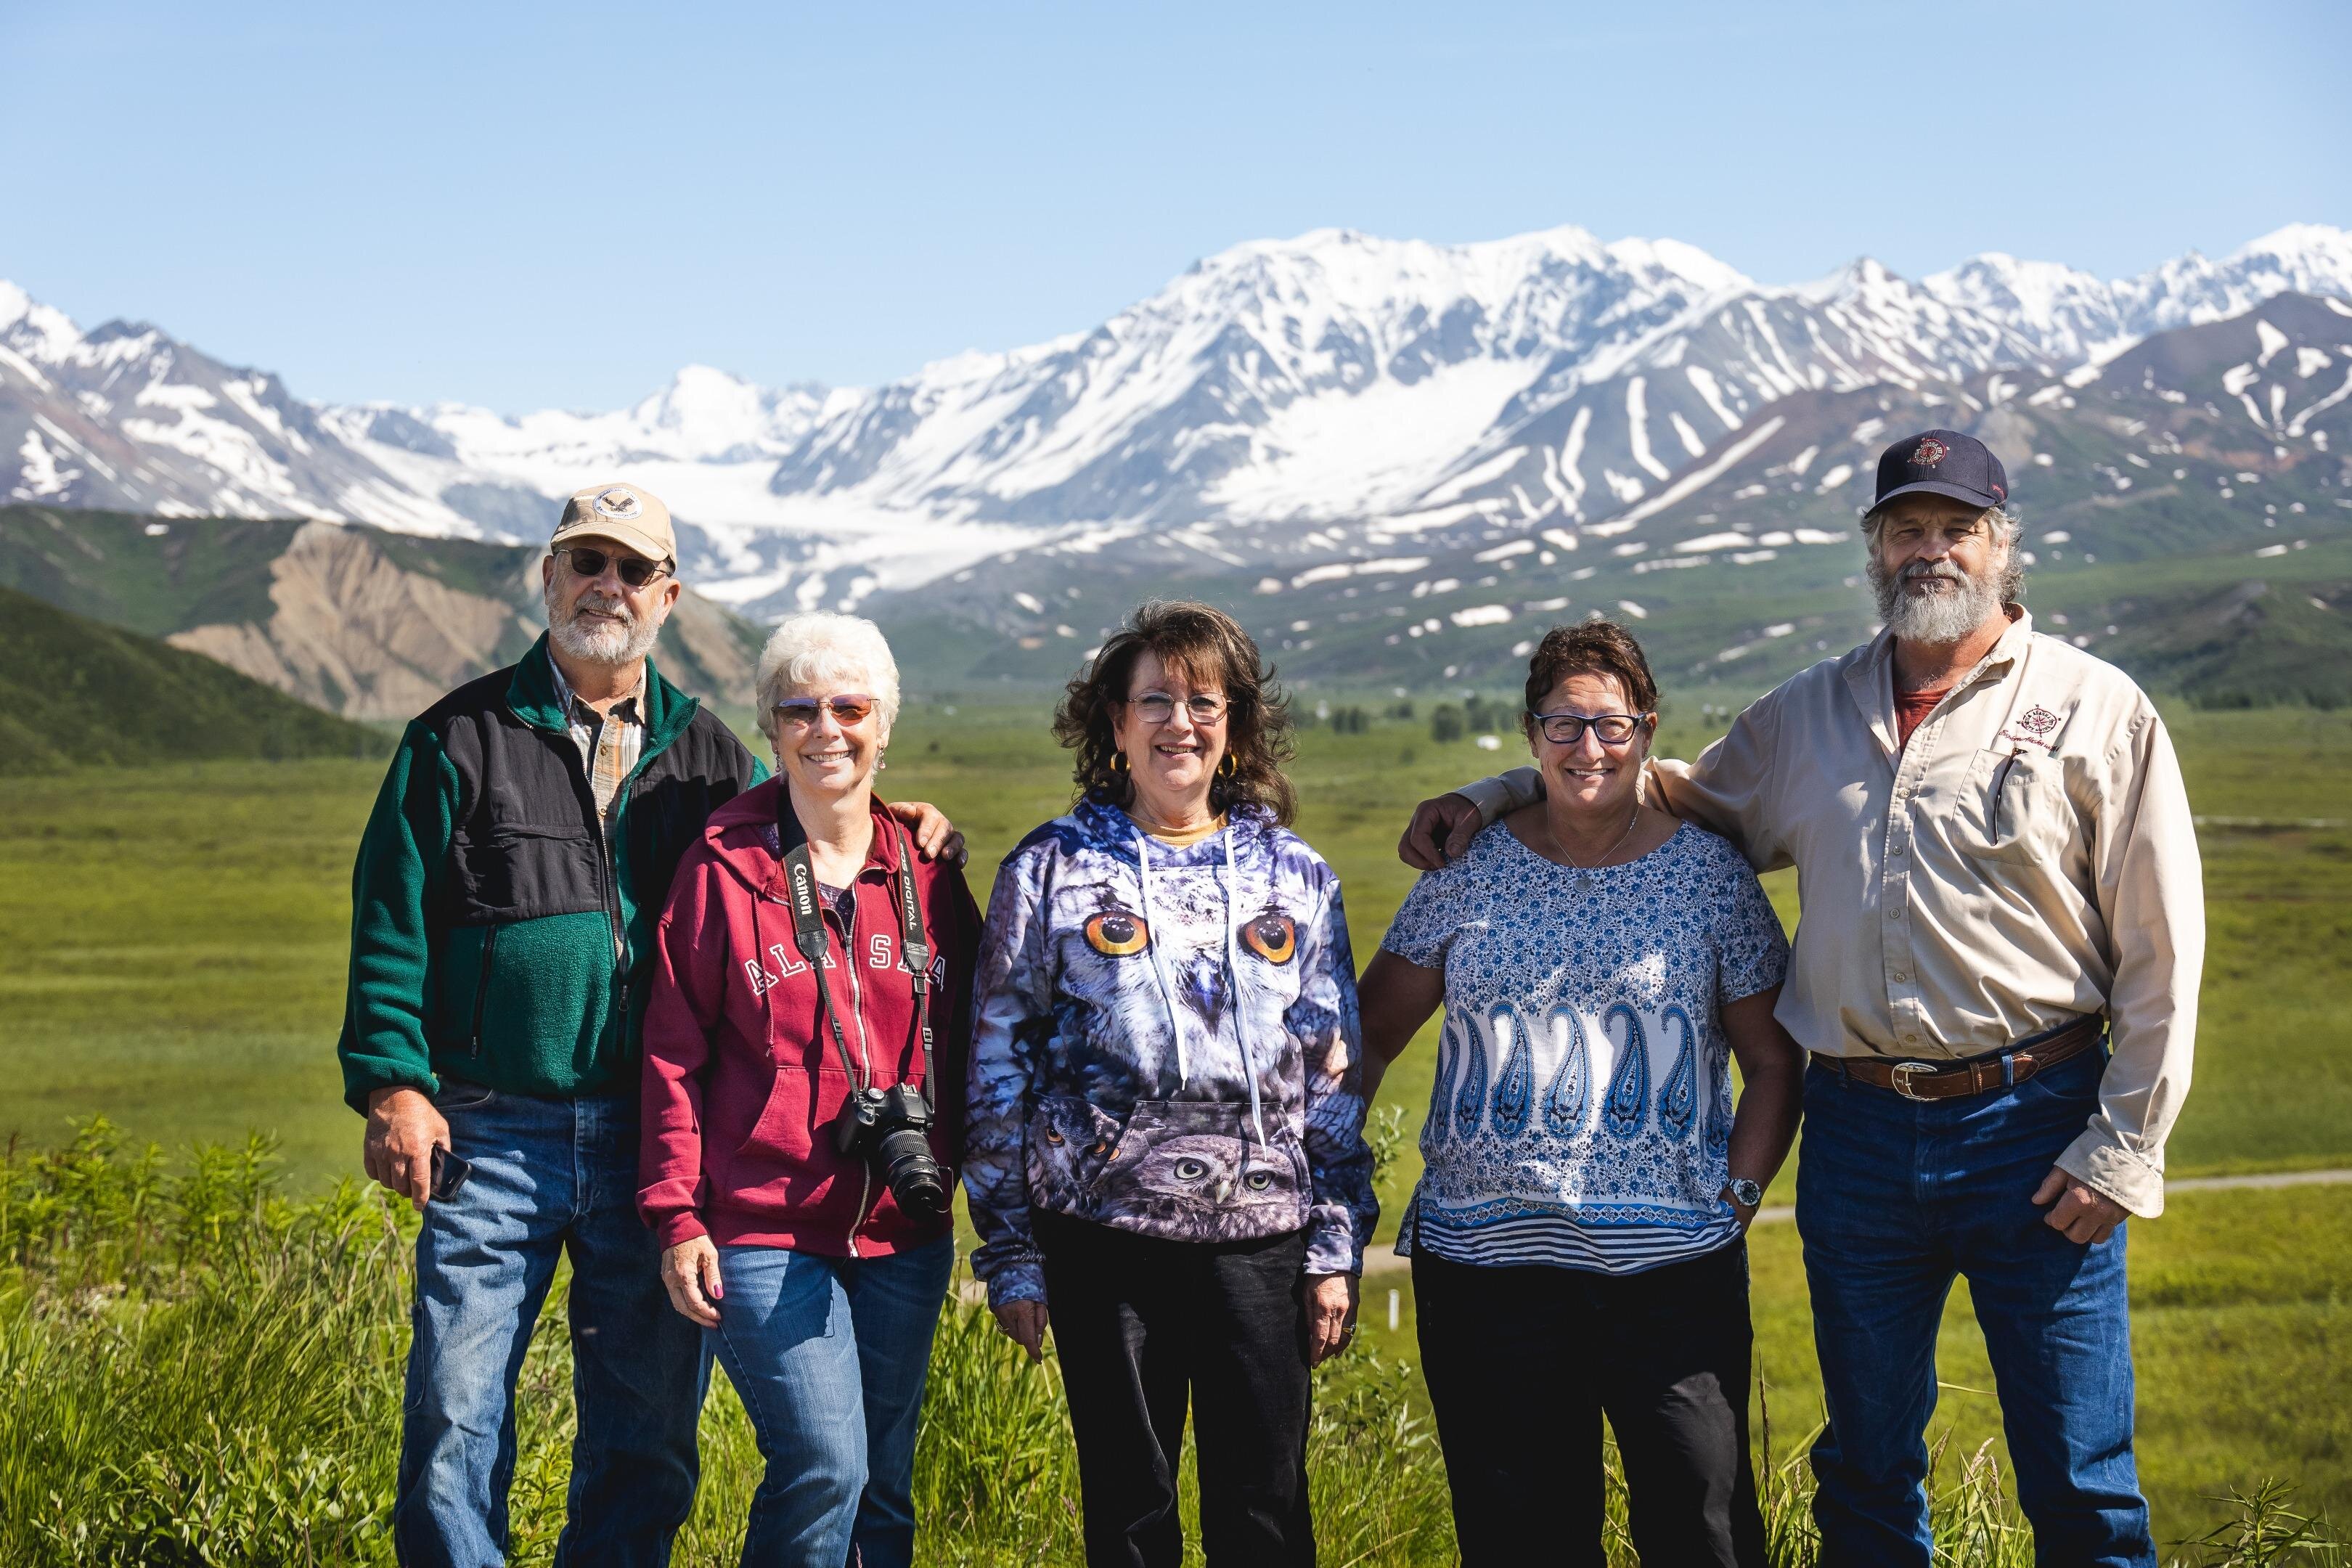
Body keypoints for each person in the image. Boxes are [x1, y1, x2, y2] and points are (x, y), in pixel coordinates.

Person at [1400, 430, 2204, 1567]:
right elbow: (1649, 780)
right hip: (1861, 1132)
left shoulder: (2095, 708)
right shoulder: (1810, 713)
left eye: (1957, 529)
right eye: (1907, 529)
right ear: (1876, 549)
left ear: (2002, 548)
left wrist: (2124, 1148)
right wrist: (1504, 790)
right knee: (1866, 1468)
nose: (1931, 551)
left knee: (2080, 1478)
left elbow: (2163, 948)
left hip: (2037, 1123)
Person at [338, 483, 960, 1567]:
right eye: (587, 562)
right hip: (492, 1128)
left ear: (668, 597)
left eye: (633, 570)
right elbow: (391, 920)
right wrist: (396, 1083)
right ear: (549, 576)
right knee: (455, 1408)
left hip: (651, 1134)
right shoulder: (456, 738)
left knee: (648, 1431)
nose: (607, 587)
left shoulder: (710, 753)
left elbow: (811, 821)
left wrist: (903, 826)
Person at [1359, 620, 1804, 1567]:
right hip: (1487, 1271)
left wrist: (1736, 1198)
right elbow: (1368, 1039)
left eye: (1611, 724)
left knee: (1704, 1530)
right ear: (1531, 735)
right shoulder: (1466, 870)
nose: (1587, 746)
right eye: (1562, 724)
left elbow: (1774, 1060)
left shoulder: (1709, 876)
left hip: (1672, 1273)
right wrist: (1326, 1193)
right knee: (1522, 1540)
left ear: (1647, 732)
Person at [963, 600, 1377, 1568]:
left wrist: (1333, 1244)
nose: (1178, 723)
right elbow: (995, 1066)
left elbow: (1333, 1075)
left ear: (1236, 725)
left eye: (1203, 702)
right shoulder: (1051, 868)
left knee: (1266, 1514)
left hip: (1263, 1244)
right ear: (1115, 722)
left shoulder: (1296, 877)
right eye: (1154, 700)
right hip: (1103, 1244)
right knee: (1129, 1513)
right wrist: (1012, 1250)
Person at [638, 612, 981, 1568]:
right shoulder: (723, 870)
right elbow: (672, 1056)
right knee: (825, 1463)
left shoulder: (928, 872)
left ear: (884, 725)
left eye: (850, 708)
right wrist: (676, 1215)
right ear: (772, 727)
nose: (826, 729)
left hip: (904, 1225)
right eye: (799, 710)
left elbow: (974, 1041)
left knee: (886, 1485)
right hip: (764, 1225)